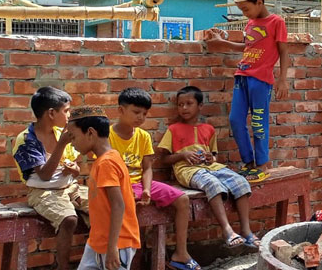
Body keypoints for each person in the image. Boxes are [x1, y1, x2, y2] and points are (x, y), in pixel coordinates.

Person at [204, 0, 290, 182]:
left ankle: (262, 164)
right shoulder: (251, 24)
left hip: (261, 80)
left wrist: (282, 79)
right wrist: (221, 42)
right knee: (235, 119)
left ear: (259, 2)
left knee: (259, 122)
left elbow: (284, 52)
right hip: (241, 77)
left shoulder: (277, 22)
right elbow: (247, 48)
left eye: (246, 9)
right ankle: (248, 163)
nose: (245, 14)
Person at [158, 86, 259, 248]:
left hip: (211, 167)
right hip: (187, 170)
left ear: (200, 106)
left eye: (189, 103)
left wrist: (209, 158)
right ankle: (227, 230)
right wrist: (183, 155)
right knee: (212, 184)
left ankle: (246, 231)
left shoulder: (209, 129)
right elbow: (163, 158)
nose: (183, 108)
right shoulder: (173, 129)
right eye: (180, 104)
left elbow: (214, 156)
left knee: (240, 181)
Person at [109, 88, 198, 270]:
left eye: (144, 113)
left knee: (182, 199)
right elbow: (105, 172)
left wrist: (147, 189)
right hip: (118, 185)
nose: (141, 117)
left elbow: (147, 168)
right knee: (126, 211)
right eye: (136, 112)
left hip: (140, 183)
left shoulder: (143, 136)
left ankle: (181, 252)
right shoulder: (108, 136)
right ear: (120, 110)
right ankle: (120, 261)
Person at [11, 86, 86, 270]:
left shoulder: (61, 133)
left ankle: (97, 262)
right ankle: (62, 266)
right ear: (51, 113)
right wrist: (60, 145)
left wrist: (74, 170)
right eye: (66, 111)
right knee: (69, 220)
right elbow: (44, 176)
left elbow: (76, 167)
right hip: (42, 192)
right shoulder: (26, 139)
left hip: (70, 187)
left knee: (104, 204)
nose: (69, 116)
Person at [67, 106, 141, 270]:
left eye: (73, 137)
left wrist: (112, 247)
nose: (72, 143)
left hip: (116, 243)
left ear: (90, 133)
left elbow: (118, 204)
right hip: (98, 242)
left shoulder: (107, 162)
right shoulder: (103, 160)